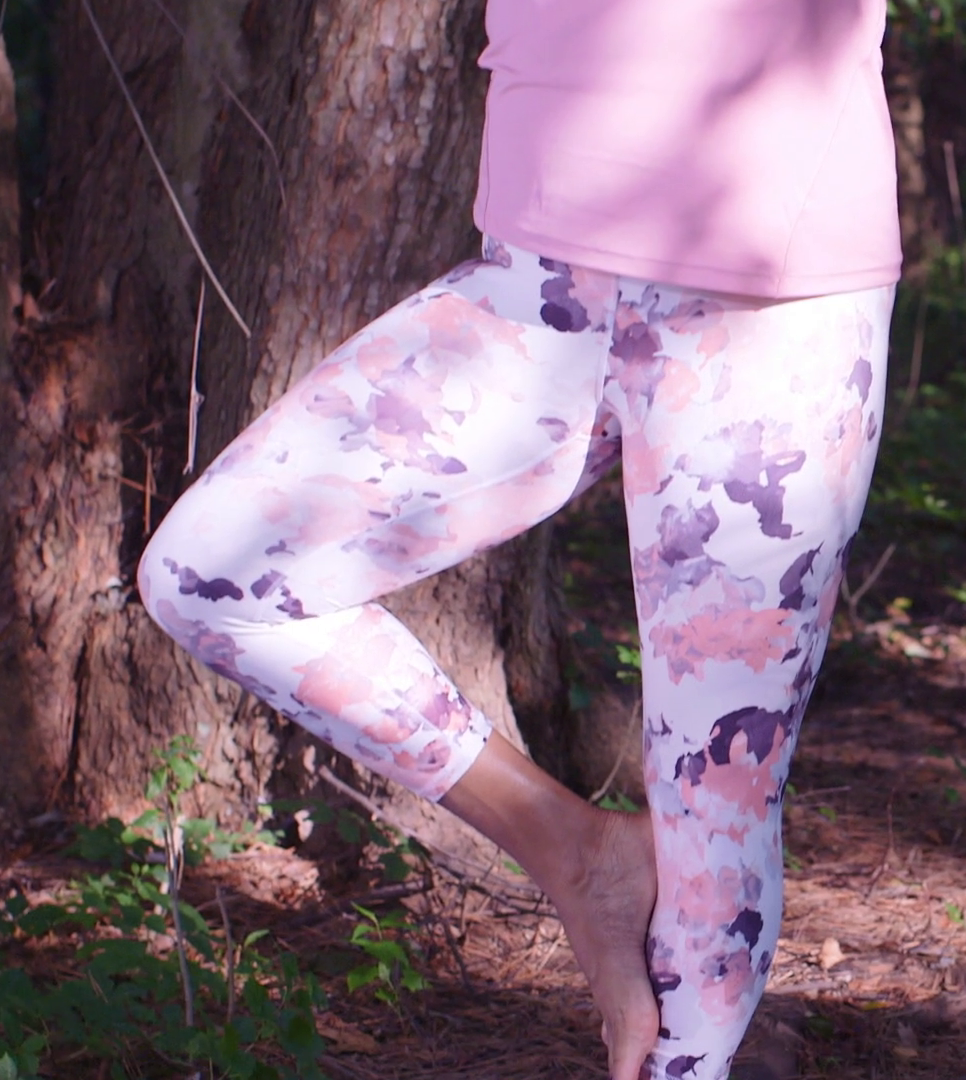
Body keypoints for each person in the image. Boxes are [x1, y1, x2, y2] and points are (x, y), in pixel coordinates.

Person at [136, 3, 901, 1078]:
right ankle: (573, 850)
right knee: (211, 572)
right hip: (538, 279)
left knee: (714, 804)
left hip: (778, 298)